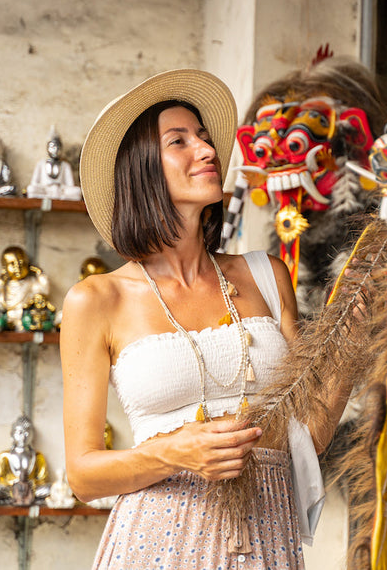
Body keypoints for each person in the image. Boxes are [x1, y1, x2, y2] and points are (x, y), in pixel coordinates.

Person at [61, 69, 328, 569]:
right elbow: (82, 474)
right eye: (179, 141)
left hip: (267, 536)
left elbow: (310, 433)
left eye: (205, 138)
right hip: (156, 541)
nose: (208, 151)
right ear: (140, 169)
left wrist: (355, 329)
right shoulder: (96, 300)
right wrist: (170, 453)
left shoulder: (266, 276)